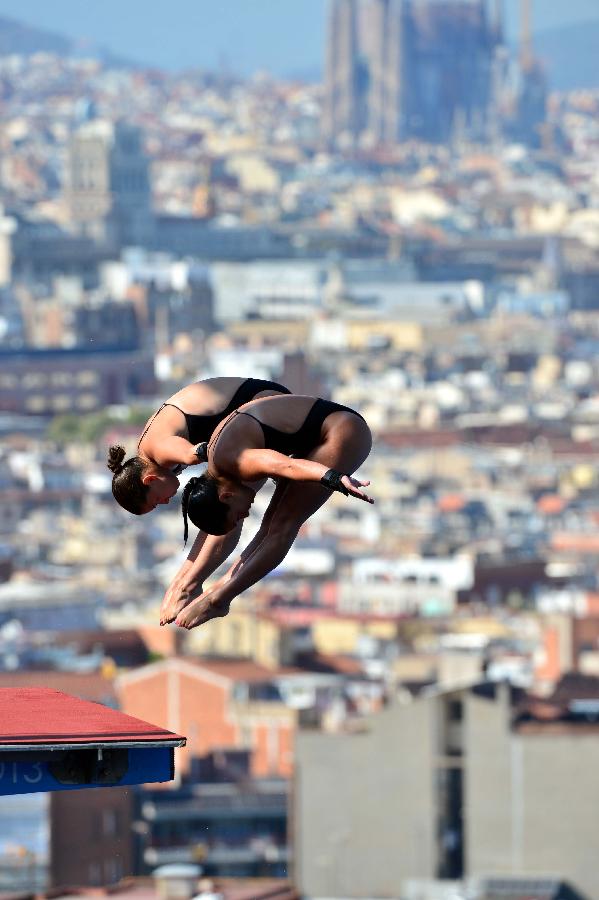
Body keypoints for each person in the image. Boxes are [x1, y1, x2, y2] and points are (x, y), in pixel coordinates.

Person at [174, 393, 373, 630]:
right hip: (316, 436)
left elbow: (285, 465)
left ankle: (220, 600)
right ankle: (227, 583)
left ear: (226, 496)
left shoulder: (236, 462)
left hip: (343, 432)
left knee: (283, 525)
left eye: (236, 515)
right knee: (269, 524)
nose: (244, 515)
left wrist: (333, 477)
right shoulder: (219, 464)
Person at [105, 376, 291, 625]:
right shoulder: (147, 455)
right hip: (252, 410)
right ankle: (182, 582)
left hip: (265, 405)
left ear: (150, 480)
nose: (164, 503)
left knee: (224, 509)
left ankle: (190, 586)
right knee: (212, 509)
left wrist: (235, 462)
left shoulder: (160, 449)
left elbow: (195, 453)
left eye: (156, 501)